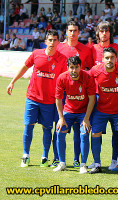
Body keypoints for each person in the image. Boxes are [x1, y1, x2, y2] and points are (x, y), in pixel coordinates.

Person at [7, 29, 67, 168]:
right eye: (49, 40)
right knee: (28, 126)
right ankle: (25, 155)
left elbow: (64, 79)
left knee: (47, 128)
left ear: (58, 42)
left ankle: (44, 157)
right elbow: (24, 67)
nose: (52, 43)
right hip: (32, 98)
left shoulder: (62, 59)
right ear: (45, 41)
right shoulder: (36, 54)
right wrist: (12, 81)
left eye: (54, 40)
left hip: (49, 101)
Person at [54, 21, 93, 168]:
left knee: (81, 132)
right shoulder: (60, 47)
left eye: (75, 30)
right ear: (66, 32)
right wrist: (61, 117)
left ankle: (79, 162)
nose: (72, 33)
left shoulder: (85, 50)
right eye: (70, 30)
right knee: (58, 127)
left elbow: (89, 67)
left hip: (82, 96)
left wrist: (87, 118)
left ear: (79, 32)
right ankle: (58, 160)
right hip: (65, 97)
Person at [89, 47, 118, 175]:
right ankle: (97, 164)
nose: (109, 60)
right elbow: (86, 79)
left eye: (112, 58)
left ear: (116, 59)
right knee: (95, 134)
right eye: (107, 58)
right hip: (100, 110)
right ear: (102, 59)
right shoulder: (96, 70)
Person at [89, 21, 118, 171]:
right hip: (98, 97)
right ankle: (96, 161)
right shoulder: (92, 49)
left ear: (111, 33)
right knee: (96, 131)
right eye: (101, 31)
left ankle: (114, 160)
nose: (104, 33)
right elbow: (88, 71)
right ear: (97, 33)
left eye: (107, 31)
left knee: (117, 131)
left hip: (117, 97)